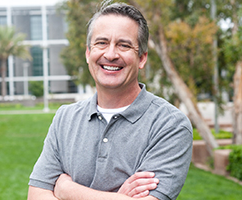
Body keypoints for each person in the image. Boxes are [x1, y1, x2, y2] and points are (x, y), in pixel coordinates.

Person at [27, 1, 193, 199]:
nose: (111, 54)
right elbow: (36, 195)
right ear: (88, 53)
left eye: (124, 45)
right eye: (101, 43)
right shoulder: (65, 118)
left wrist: (66, 190)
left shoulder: (170, 125)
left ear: (141, 58)